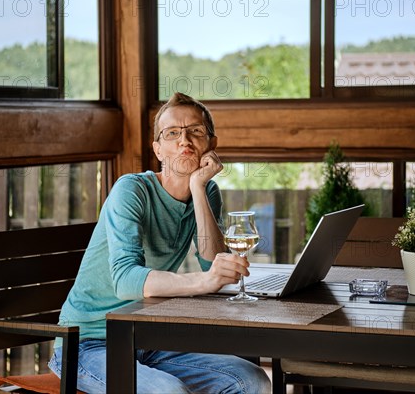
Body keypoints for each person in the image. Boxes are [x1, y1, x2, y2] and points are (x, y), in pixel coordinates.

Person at [48, 92, 271, 393]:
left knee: (252, 380)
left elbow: (213, 261)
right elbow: (126, 281)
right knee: (170, 392)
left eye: (195, 131)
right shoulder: (132, 190)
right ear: (158, 149)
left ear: (211, 145)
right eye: (172, 134)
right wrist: (201, 282)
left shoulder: (206, 190)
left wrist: (198, 187)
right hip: (87, 344)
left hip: (147, 340)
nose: (184, 141)